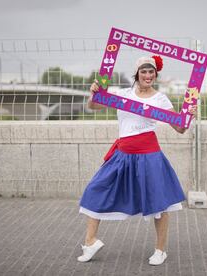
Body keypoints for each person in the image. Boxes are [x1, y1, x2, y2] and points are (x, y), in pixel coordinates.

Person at [78, 55, 197, 266]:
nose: (148, 75)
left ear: (155, 75)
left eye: (152, 72)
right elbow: (94, 106)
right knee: (95, 190)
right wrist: (93, 94)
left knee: (159, 203)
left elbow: (179, 128)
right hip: (122, 155)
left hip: (149, 156)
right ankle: (90, 241)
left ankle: (160, 251)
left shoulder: (160, 99)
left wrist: (188, 116)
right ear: (137, 74)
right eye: (144, 71)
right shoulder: (123, 94)